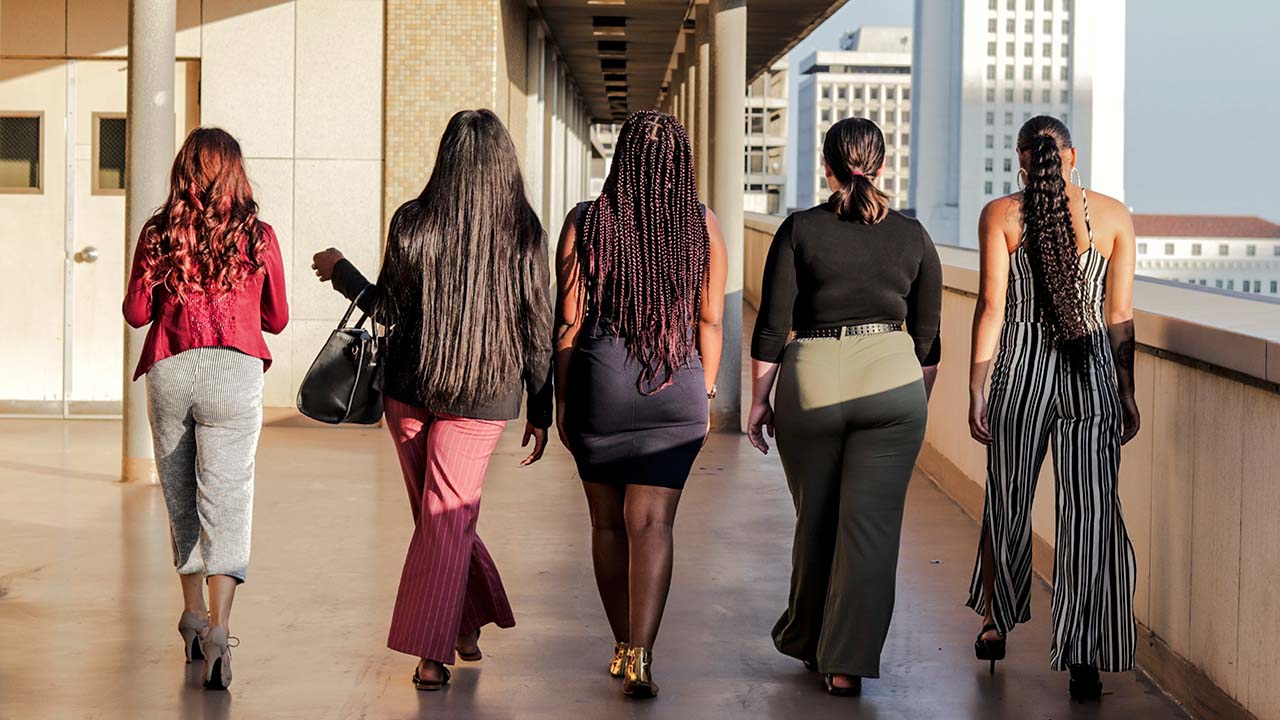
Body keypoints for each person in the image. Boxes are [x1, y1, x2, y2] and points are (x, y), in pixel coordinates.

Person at [310, 109, 553, 691]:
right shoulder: (524, 232)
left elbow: (388, 310)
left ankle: (432, 652)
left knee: (441, 518)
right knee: (443, 517)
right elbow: (537, 328)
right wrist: (542, 409)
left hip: (410, 390)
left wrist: (342, 272)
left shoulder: (413, 223)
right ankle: (460, 624)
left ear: (446, 159)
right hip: (482, 394)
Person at [746, 117, 941, 697]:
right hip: (894, 380)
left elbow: (772, 326)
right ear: (881, 165)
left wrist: (759, 401)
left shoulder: (800, 229)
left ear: (827, 167)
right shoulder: (914, 236)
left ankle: (809, 637)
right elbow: (928, 341)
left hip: (814, 379)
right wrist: (908, 402)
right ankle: (845, 662)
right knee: (870, 531)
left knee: (817, 518)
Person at [554, 110, 726, 699]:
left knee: (607, 524)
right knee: (652, 524)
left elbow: (569, 324)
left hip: (601, 384)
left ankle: (622, 645)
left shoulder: (587, 221)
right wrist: (705, 391)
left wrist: (563, 400)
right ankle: (643, 655)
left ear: (621, 158)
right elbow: (710, 319)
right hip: (674, 383)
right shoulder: (700, 224)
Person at [966, 115, 1140, 701]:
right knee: (1089, 514)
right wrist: (1126, 391)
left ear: (1022, 158)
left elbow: (992, 307)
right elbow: (1120, 317)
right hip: (1091, 375)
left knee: (1007, 498)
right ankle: (1083, 653)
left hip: (1021, 372)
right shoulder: (1113, 216)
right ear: (1072, 157)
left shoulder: (1001, 215)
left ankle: (995, 621)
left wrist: (977, 388)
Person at [122, 127, 289, 690]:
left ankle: (191, 615)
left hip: (172, 365)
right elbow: (277, 318)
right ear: (236, 173)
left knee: (180, 495)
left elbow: (136, 312)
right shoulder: (258, 236)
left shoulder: (159, 232)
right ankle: (219, 632)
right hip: (234, 371)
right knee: (229, 499)